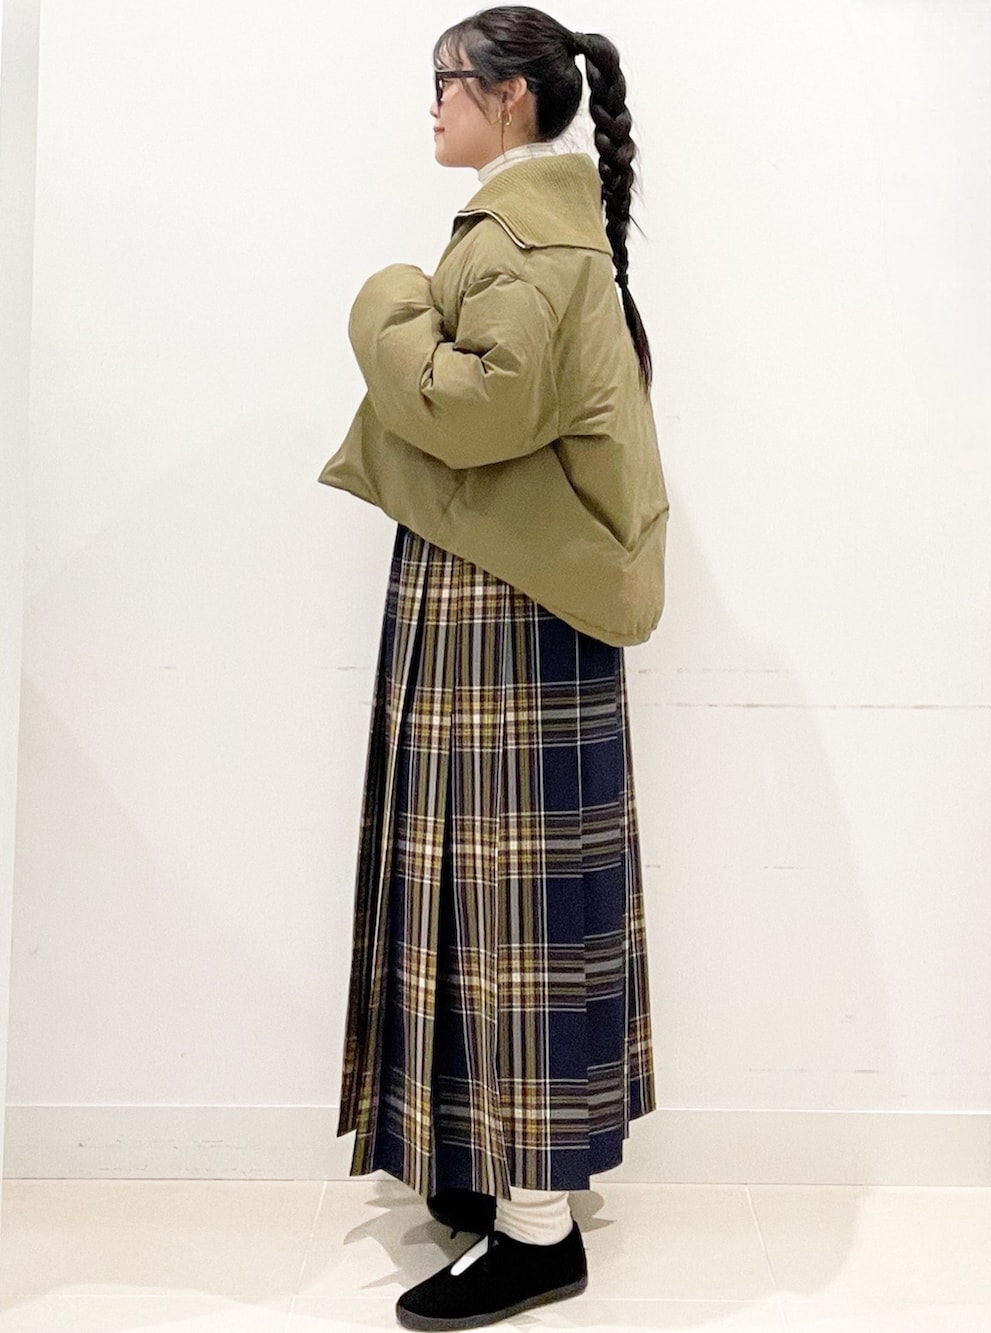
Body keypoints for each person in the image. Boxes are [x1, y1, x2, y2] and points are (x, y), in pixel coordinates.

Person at [316, 5, 669, 1328]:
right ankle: (487, 1170)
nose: (433, 104)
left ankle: (537, 1229)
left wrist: (384, 302)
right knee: (492, 890)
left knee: (513, 903)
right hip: (506, 599)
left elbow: (474, 411)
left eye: (447, 82)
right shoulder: (538, 232)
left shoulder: (523, 244)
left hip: (506, 614)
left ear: (511, 97)